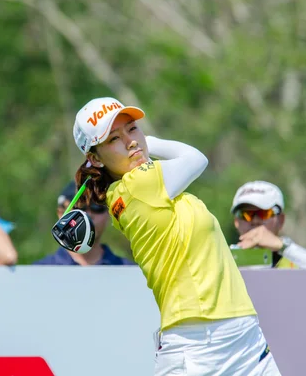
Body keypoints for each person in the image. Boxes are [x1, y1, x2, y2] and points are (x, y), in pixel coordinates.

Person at [72, 97, 281, 375]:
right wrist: (148, 143)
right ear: (95, 158)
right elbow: (197, 158)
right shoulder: (140, 184)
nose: (130, 141)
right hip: (197, 345)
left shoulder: (133, 191)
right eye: (113, 139)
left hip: (243, 334)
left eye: (133, 129)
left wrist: (136, 144)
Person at [231, 181, 306, 269]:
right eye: (246, 215)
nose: (255, 220)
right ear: (236, 221)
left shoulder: (294, 259)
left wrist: (284, 247)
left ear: (281, 220)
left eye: (263, 213)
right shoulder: (225, 258)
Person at [34, 181, 134, 265]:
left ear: (109, 214)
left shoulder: (133, 273)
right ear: (61, 213)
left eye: (97, 207)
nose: (88, 214)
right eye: (80, 206)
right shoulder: (37, 273)